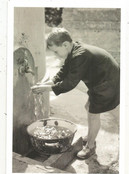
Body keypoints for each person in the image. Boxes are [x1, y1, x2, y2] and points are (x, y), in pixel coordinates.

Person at [31, 28, 120, 159]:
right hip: (101, 80)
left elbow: (69, 83)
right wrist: (49, 82)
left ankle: (90, 147)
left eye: (56, 51)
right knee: (89, 108)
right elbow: (63, 71)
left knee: (93, 113)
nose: (55, 55)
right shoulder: (74, 50)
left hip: (108, 83)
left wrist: (46, 89)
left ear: (65, 45)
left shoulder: (80, 55)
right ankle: (91, 135)